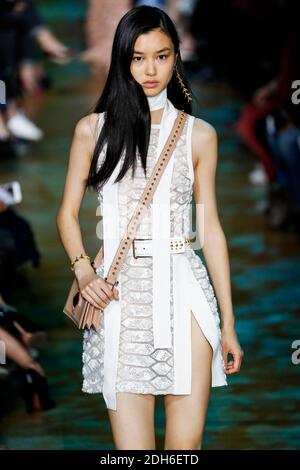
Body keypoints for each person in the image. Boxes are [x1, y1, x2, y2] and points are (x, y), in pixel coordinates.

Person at [56, 5, 243, 450]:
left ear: (176, 56)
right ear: (123, 60)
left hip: (185, 289)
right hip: (118, 298)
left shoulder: (199, 135)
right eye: (138, 57)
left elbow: (210, 228)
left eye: (161, 55)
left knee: (185, 451)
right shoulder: (91, 130)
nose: (150, 69)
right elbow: (66, 214)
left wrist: (230, 323)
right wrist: (83, 272)